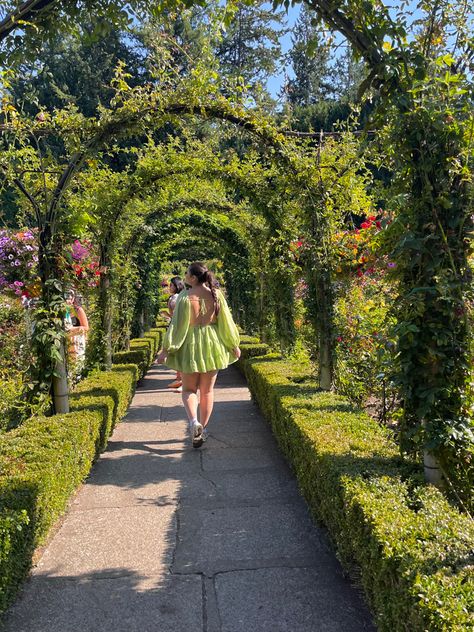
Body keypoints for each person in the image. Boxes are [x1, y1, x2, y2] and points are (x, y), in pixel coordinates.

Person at [156, 262, 241, 448]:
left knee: (188, 390)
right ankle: (203, 428)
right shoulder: (216, 295)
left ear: (193, 278)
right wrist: (233, 345)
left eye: (187, 273)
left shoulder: (185, 298)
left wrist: (166, 350)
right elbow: (226, 322)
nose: (185, 276)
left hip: (191, 345)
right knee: (208, 391)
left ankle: (194, 422)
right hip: (212, 345)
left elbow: (178, 327)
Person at [159, 276, 185, 391]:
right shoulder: (182, 296)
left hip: (177, 328)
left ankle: (182, 380)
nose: (170, 287)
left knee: (177, 352)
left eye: (172, 285)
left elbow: (175, 315)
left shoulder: (175, 298)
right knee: (179, 352)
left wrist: (167, 314)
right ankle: (180, 378)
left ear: (177, 286)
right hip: (180, 327)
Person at [64, 289, 89, 375]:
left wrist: (75, 329)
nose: (69, 300)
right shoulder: (63, 311)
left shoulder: (78, 310)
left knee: (76, 364)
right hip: (68, 340)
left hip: (77, 340)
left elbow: (86, 327)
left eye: (71, 297)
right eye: (67, 297)